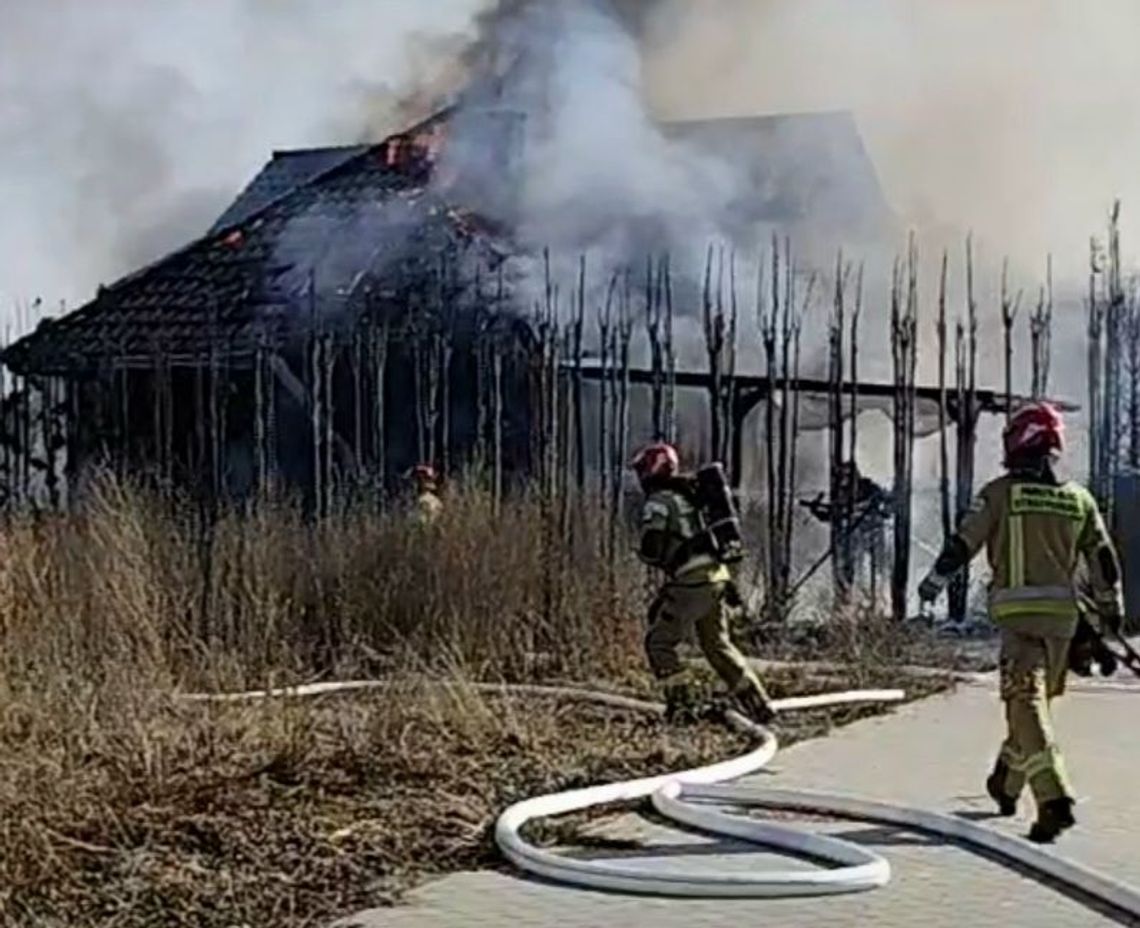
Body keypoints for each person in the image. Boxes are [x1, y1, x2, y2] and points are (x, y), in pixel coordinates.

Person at [918, 402, 1124, 843]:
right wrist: (1112, 610)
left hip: (1021, 624)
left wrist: (934, 582)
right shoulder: (1079, 498)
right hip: (1064, 628)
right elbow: (1104, 559)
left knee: (1025, 705)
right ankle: (1005, 782)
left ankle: (1054, 799)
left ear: (1020, 441)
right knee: (1030, 707)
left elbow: (961, 545)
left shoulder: (999, 494)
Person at [630, 442, 775, 724]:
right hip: (717, 578)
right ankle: (758, 703)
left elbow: (653, 544)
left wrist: (646, 554)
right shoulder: (691, 495)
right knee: (717, 645)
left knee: (659, 644)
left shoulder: (660, 500)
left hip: (692, 582)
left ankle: (684, 707)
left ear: (653, 470)